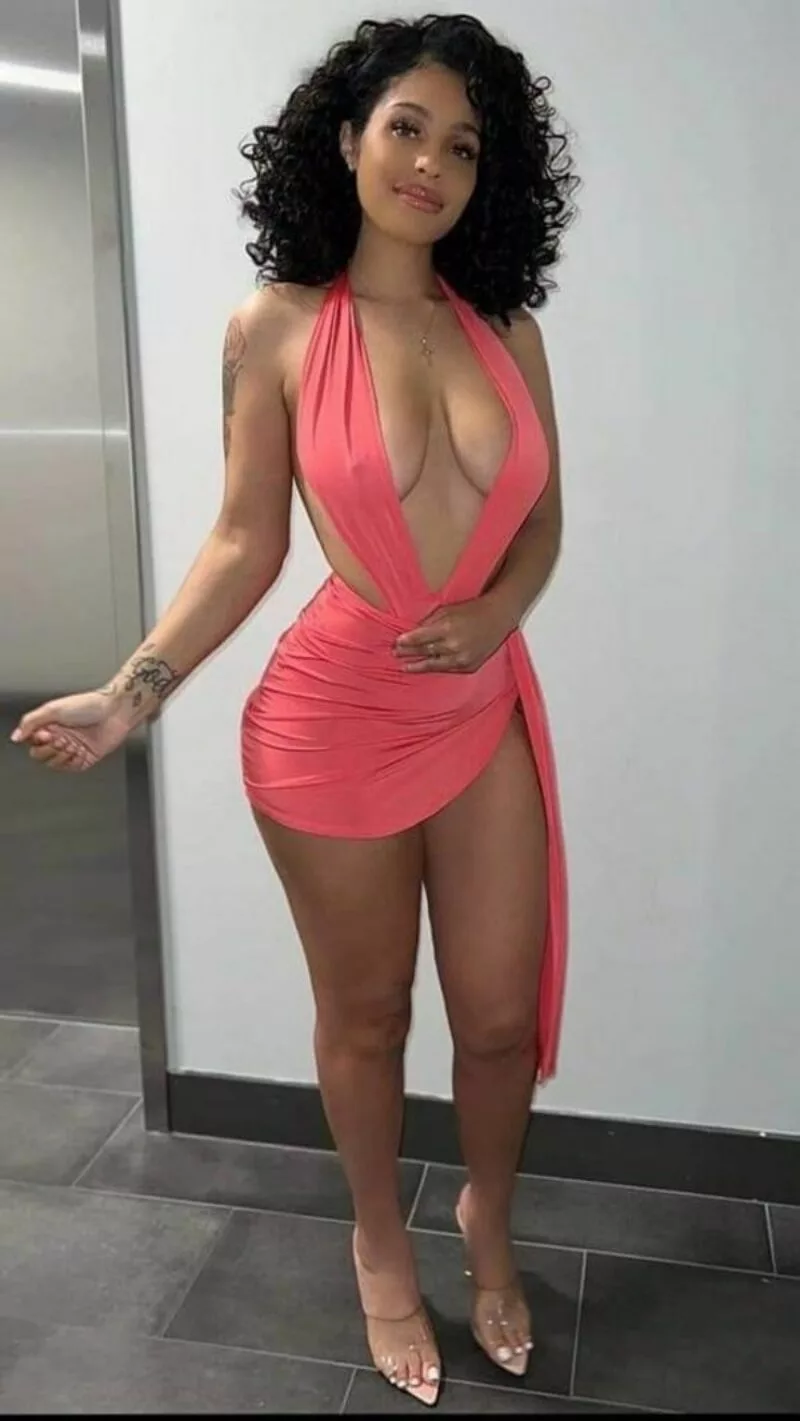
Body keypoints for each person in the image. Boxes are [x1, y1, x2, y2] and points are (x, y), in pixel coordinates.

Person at [12, 13, 577, 1407]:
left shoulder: (508, 330)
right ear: (345, 139)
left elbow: (542, 525)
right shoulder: (276, 326)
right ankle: (380, 1243)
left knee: (497, 1022)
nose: (431, 164)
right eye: (407, 129)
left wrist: (502, 611)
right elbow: (244, 541)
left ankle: (486, 1219)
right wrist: (131, 694)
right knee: (367, 1015)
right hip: (330, 722)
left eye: (464, 146)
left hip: (478, 708)